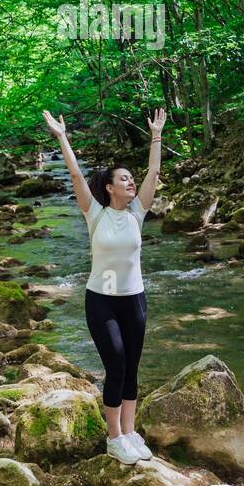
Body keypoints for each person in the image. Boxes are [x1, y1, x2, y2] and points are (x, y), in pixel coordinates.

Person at [42, 106, 166, 464]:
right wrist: (62, 137)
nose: (131, 182)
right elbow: (77, 177)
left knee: (132, 368)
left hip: (134, 301)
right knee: (116, 365)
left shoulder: (137, 213)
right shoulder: (95, 214)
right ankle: (114, 439)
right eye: (124, 179)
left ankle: (130, 432)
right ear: (110, 188)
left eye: (132, 179)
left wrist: (156, 134)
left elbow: (154, 172)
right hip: (102, 302)